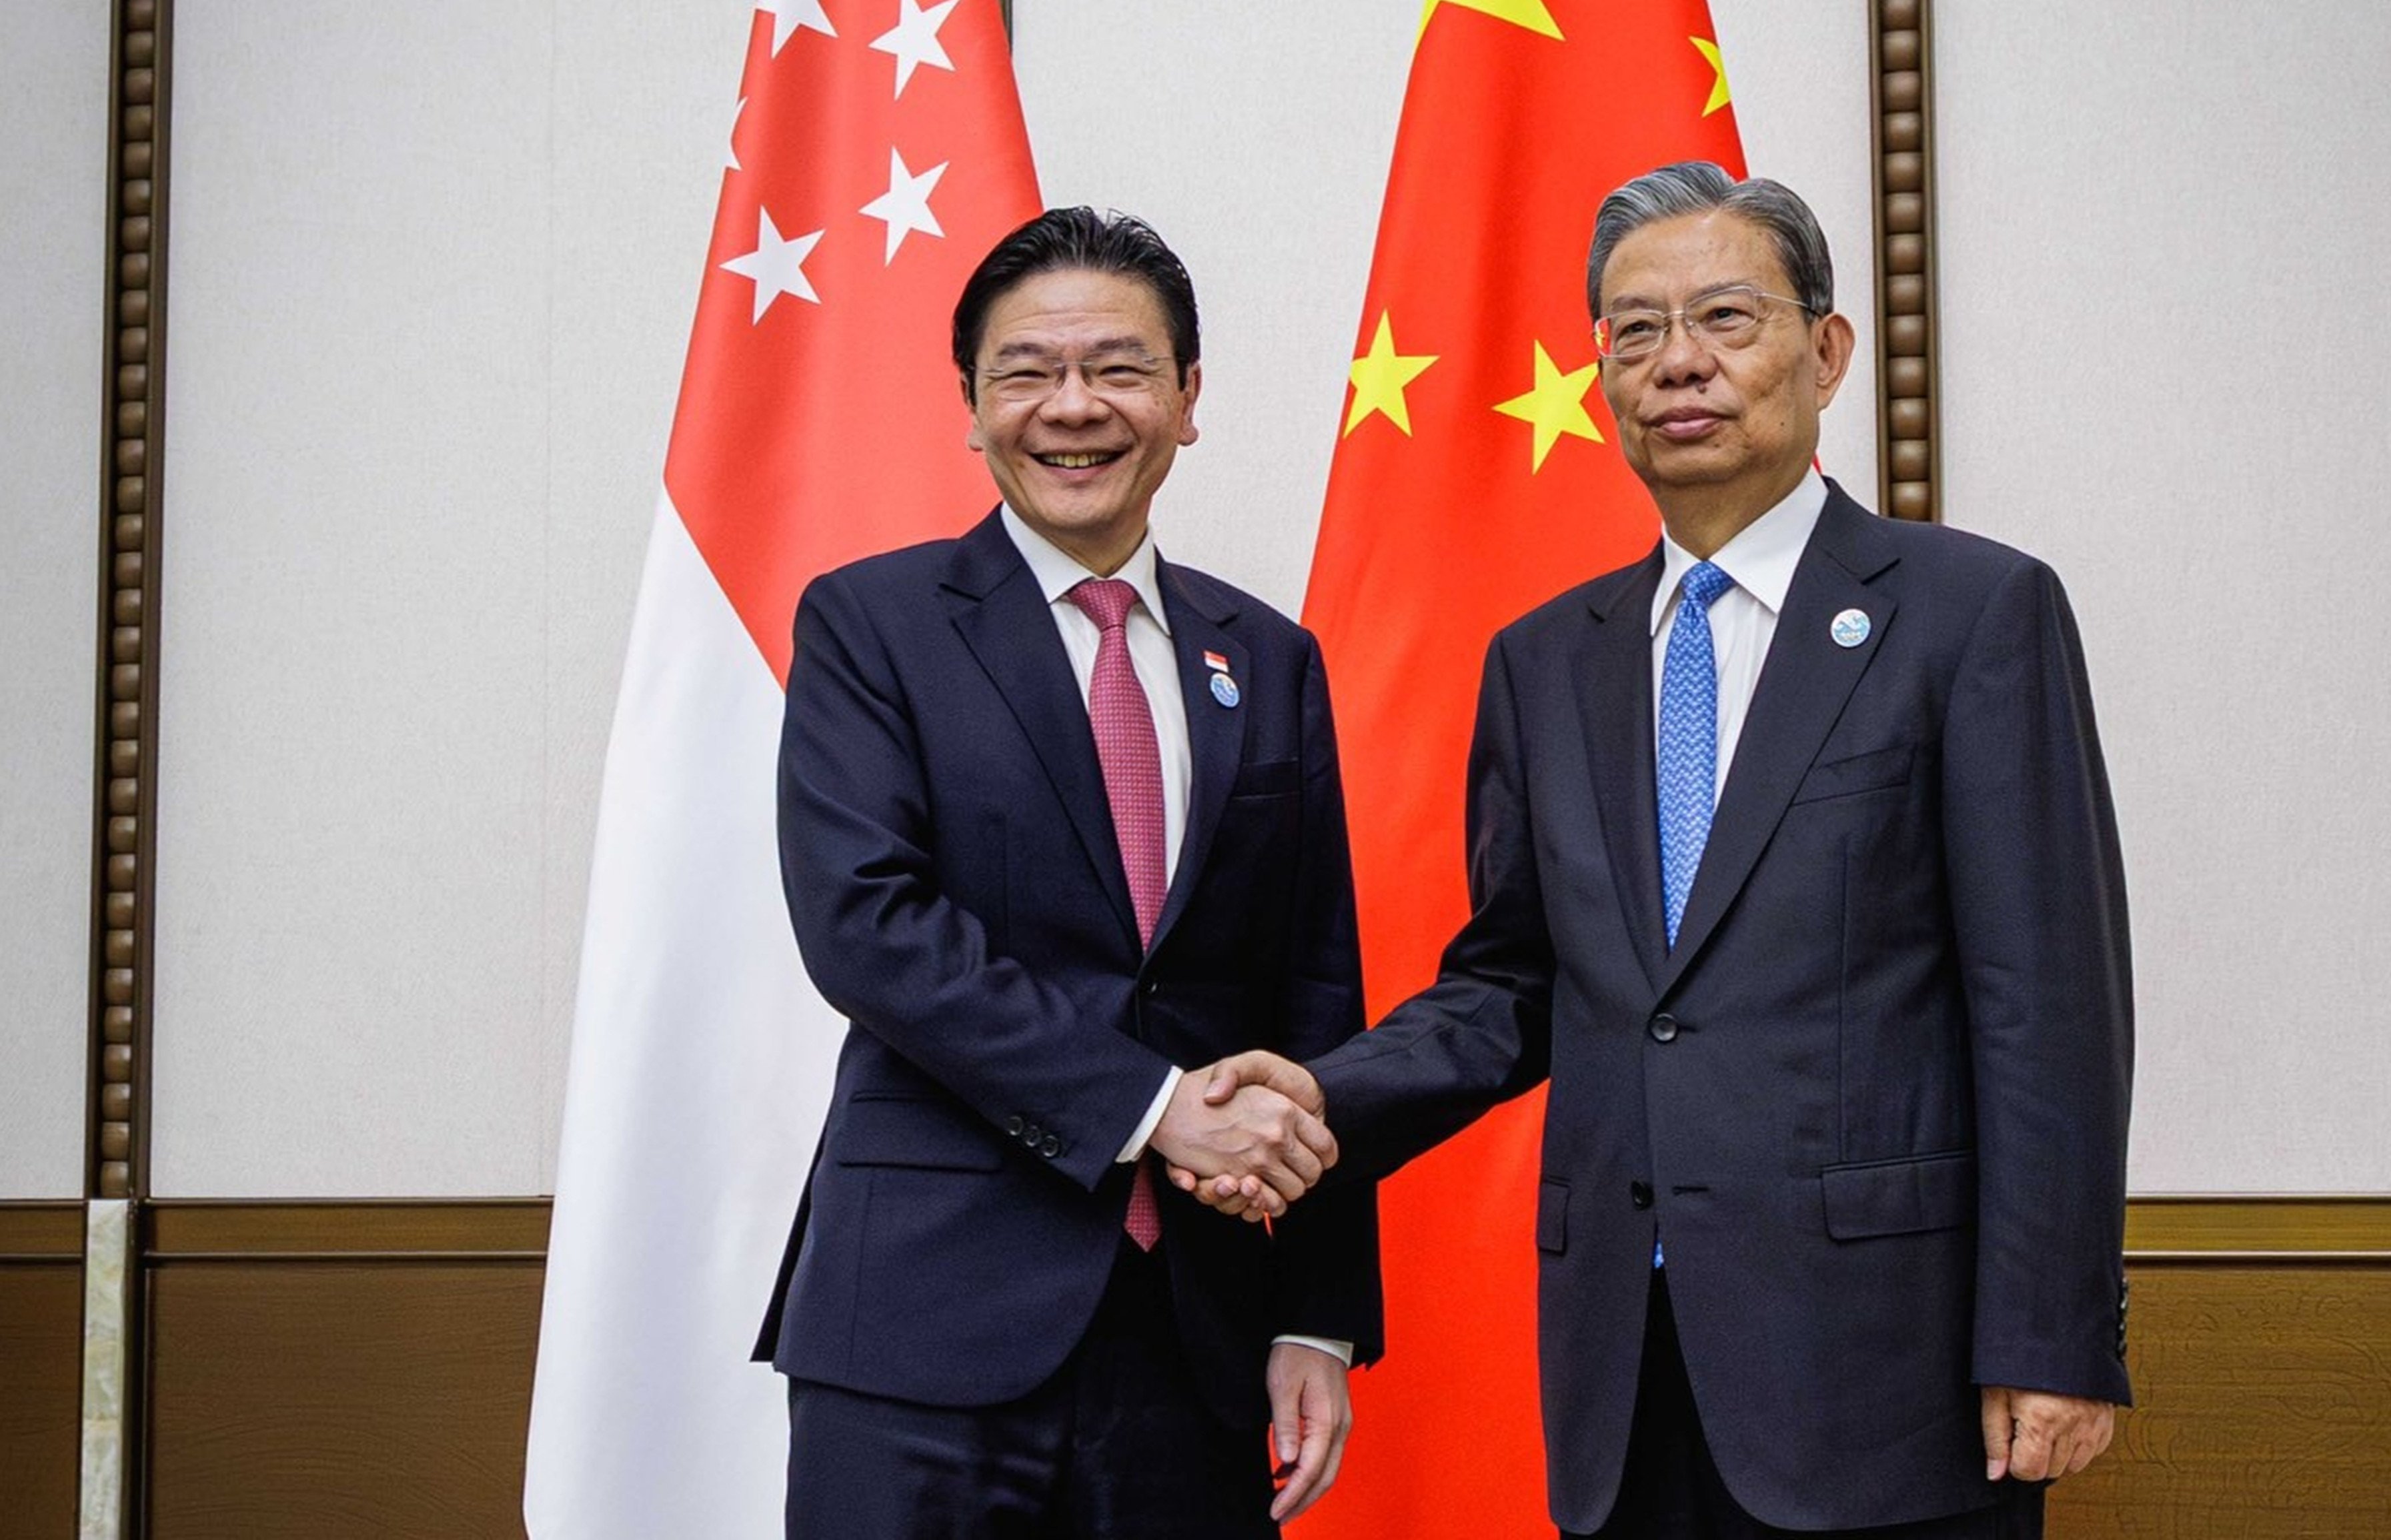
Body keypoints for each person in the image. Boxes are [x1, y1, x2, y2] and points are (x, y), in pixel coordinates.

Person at [1193, 163, 2132, 1537]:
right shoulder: (1544, 662)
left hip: (1887, 1367)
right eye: (1634, 331)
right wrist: (1318, 1101)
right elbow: (1514, 983)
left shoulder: (1970, 614)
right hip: (1623, 1367)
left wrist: (2052, 1334)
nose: (1677, 362)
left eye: (1724, 318)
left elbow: (2047, 1006)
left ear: (1826, 352)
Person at [756, 206, 1381, 1537]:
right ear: (971, 407)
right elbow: (868, 926)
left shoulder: (1267, 657)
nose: (1073, 406)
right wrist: (1152, 1106)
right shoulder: (870, 625)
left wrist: (1318, 1311)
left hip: (1196, 1337)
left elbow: (1314, 993)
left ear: (1188, 398)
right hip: (925, 1325)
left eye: (1119, 367)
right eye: (1027, 372)